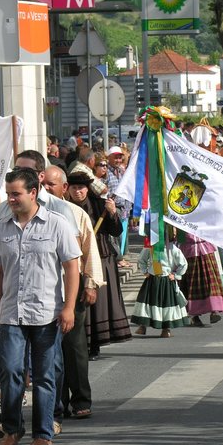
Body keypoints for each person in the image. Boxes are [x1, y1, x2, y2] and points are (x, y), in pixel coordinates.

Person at [0, 167, 80, 445]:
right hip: (11, 314)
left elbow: (72, 267)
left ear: (33, 192)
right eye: (8, 194)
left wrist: (69, 308)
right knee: (11, 371)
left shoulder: (57, 224)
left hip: (46, 314)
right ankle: (12, 430)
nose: (11, 200)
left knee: (44, 375)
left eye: (16, 194)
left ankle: (43, 434)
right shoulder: (1, 226)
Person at [42, 166, 104, 419]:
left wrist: (90, 283)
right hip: (44, 285)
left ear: (64, 188)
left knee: (74, 346)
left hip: (72, 284)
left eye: (51, 185)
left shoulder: (75, 214)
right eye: (42, 184)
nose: (46, 189)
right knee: (47, 349)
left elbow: (89, 251)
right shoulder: (33, 213)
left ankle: (80, 399)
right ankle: (54, 402)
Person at [66, 171, 132, 360]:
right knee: (79, 302)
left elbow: (116, 231)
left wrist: (112, 213)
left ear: (88, 188)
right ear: (68, 189)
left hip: (102, 260)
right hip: (75, 260)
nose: (78, 192)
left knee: (98, 304)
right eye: (74, 188)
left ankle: (95, 344)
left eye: (81, 188)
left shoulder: (99, 206)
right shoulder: (64, 208)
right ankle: (80, 343)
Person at [132, 234, 189, 338]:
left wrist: (176, 275)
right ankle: (143, 326)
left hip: (166, 280)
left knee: (165, 304)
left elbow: (183, 264)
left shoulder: (172, 248)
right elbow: (142, 259)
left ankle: (166, 329)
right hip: (152, 279)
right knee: (147, 303)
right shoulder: (151, 246)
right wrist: (145, 271)